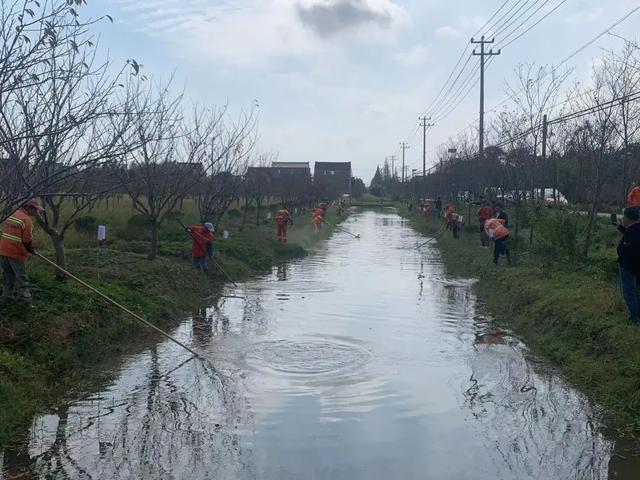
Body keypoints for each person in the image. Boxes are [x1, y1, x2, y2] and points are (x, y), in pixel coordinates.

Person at [0, 198, 44, 306]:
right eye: (36, 210)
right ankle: (25, 300)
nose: (36, 212)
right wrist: (30, 249)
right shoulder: (26, 220)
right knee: (21, 276)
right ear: (29, 208)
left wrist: (29, 248)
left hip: (3, 250)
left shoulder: (13, 214)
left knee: (8, 275)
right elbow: (26, 240)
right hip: (15, 252)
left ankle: (6, 297)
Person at [616, 207, 640, 325]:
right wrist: (620, 228)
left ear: (628, 218)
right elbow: (631, 235)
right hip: (636, 268)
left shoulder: (631, 233)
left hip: (629, 268)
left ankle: (634, 319)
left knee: (629, 293)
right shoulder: (634, 229)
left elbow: (628, 249)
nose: (622, 218)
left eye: (624, 216)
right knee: (637, 291)